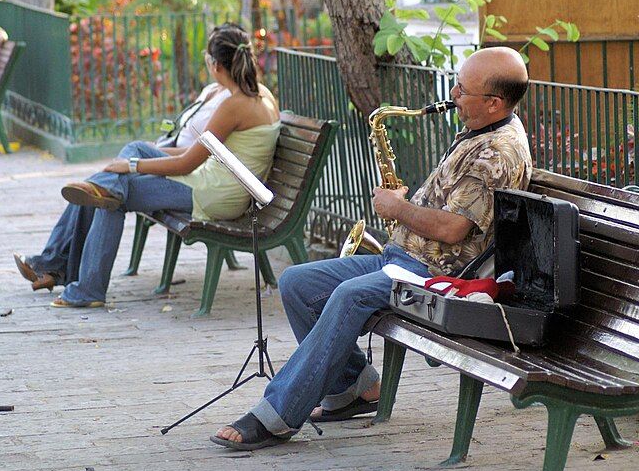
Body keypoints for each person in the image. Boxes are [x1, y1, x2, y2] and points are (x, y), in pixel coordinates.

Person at [211, 46, 532, 450]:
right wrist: (407, 203)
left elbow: (453, 229)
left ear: (493, 102)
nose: (452, 93)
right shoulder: (482, 128)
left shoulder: (497, 152)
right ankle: (353, 389)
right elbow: (449, 207)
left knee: (349, 295)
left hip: (438, 275)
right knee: (296, 283)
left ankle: (276, 415)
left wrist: (398, 207)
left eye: (462, 89)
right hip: (404, 258)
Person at [13, 23, 280, 307]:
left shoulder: (234, 105)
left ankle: (84, 286)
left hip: (215, 193)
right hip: (216, 181)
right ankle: (70, 249)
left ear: (215, 65)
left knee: (113, 195)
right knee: (132, 156)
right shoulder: (261, 94)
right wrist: (139, 158)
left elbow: (187, 163)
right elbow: (196, 153)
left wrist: (132, 166)